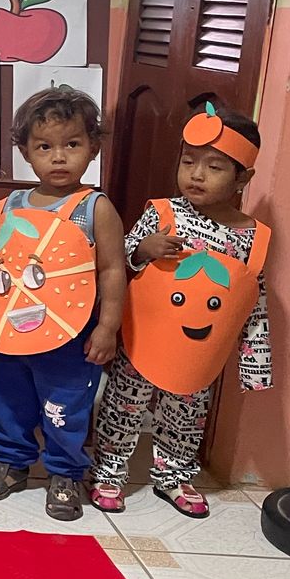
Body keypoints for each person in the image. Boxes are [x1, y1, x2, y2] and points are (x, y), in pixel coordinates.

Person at [90, 104, 271, 518]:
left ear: (243, 178)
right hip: (143, 339)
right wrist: (145, 248)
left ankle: (174, 474)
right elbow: (120, 259)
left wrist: (255, 366)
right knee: (124, 405)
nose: (196, 175)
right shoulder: (163, 213)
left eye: (214, 167)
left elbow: (252, 302)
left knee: (186, 415)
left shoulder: (253, 237)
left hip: (199, 351)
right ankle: (109, 470)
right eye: (188, 162)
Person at [0, 88, 126, 521]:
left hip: (71, 337)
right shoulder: (10, 205)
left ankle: (65, 472)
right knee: (8, 399)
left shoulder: (95, 208)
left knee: (66, 407)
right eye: (44, 147)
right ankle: (10, 461)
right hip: (11, 332)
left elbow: (112, 270)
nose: (59, 157)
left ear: (93, 148)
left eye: (72, 144)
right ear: (25, 152)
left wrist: (108, 326)